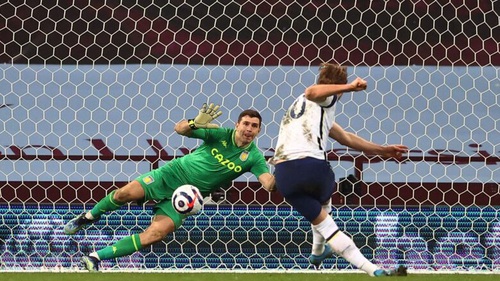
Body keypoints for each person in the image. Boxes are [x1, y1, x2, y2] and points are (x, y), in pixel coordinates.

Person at [64, 103, 276, 271]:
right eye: (246, 123)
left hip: (186, 198)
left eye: (254, 126)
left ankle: (94, 258)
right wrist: (194, 122)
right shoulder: (220, 134)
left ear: (259, 131)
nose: (249, 129)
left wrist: (284, 170)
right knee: (124, 194)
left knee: (155, 234)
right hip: (170, 175)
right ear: (238, 124)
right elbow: (179, 129)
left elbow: (268, 184)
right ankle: (88, 217)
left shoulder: (254, 158)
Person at [271, 63, 408, 276]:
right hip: (311, 167)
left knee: (325, 225)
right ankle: (367, 268)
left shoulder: (301, 106)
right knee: (324, 193)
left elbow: (346, 138)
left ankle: (320, 253)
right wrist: (349, 87)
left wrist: (383, 150)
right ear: (338, 85)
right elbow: (312, 91)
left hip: (285, 175)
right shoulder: (324, 96)